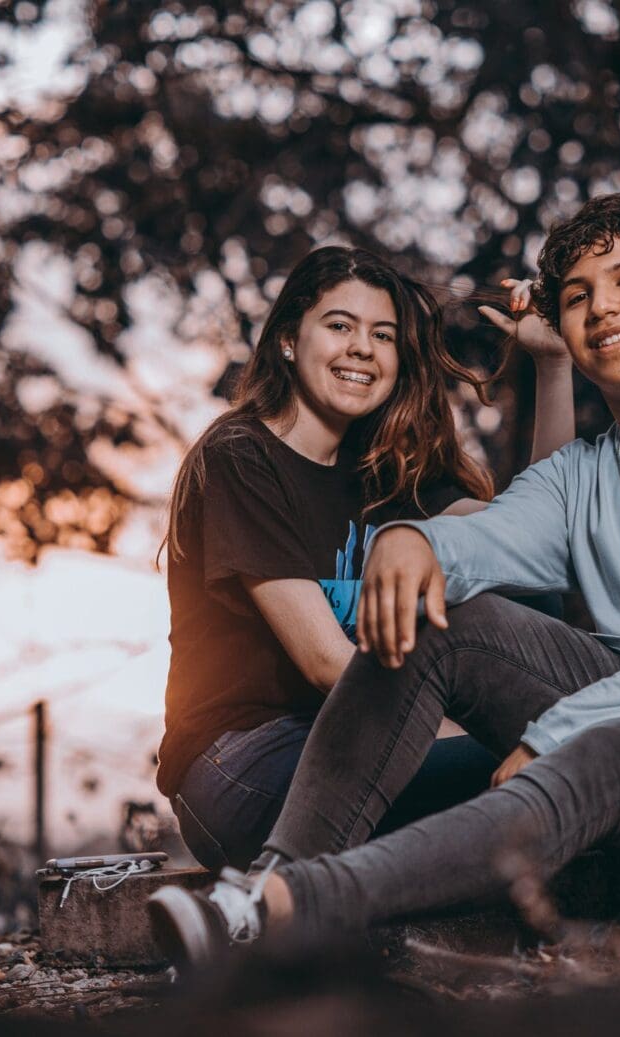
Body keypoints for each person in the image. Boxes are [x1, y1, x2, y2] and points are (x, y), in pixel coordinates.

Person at [150, 195, 620, 964]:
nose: (601, 306)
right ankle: (263, 893)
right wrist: (416, 543)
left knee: (596, 751)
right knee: (450, 624)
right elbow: (489, 534)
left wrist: (559, 728)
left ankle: (294, 906)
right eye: (577, 295)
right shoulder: (580, 476)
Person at [157, 245, 575, 871]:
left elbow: (534, 541)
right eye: (340, 325)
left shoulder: (383, 473)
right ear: (290, 342)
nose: (362, 348)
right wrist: (472, 729)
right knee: (557, 760)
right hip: (242, 771)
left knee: (559, 704)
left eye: (382, 335)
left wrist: (554, 365)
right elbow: (328, 664)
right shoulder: (240, 457)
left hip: (353, 742)